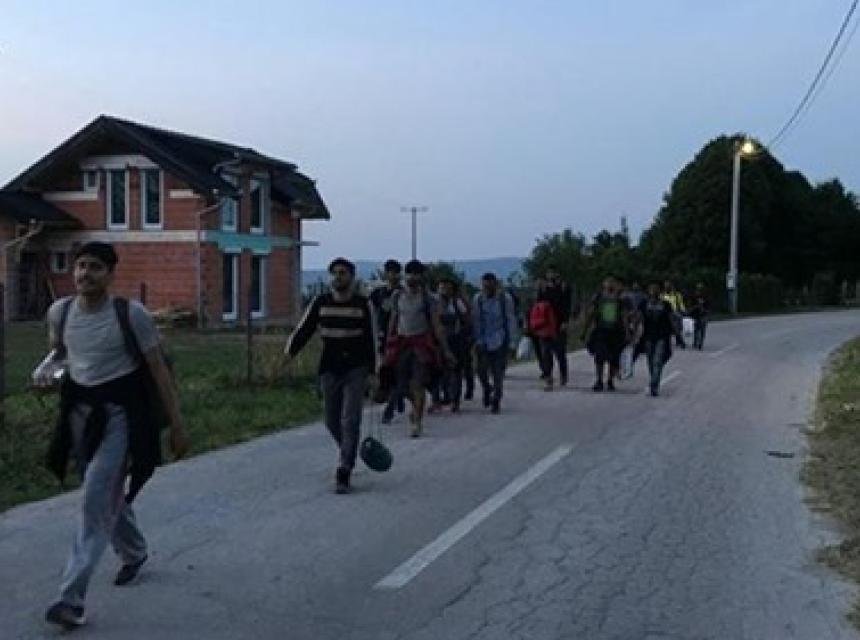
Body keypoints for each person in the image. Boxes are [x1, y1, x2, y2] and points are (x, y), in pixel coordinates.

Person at [39, 242, 188, 630]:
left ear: (110, 274)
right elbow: (60, 354)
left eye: (95, 267)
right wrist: (46, 374)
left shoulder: (130, 315)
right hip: (80, 414)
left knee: (94, 494)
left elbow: (159, 372)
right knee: (105, 491)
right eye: (80, 266)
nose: (84, 273)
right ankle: (134, 551)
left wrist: (176, 425)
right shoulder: (60, 311)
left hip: (122, 415)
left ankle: (70, 599)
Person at [284, 258, 376, 494]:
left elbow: (372, 340)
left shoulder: (363, 305)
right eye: (334, 273)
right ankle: (349, 449)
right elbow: (304, 329)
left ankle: (344, 469)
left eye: (342, 273)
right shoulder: (321, 302)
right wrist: (290, 353)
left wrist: (374, 372)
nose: (338, 277)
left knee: (350, 419)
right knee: (331, 420)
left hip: (356, 368)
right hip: (329, 367)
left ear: (352, 277)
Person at [385, 260, 455, 437]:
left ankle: (417, 420)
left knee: (418, 383)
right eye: (410, 273)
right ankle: (415, 406)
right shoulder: (397, 296)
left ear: (422, 276)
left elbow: (436, 324)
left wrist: (446, 350)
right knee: (400, 385)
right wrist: (387, 344)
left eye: (416, 274)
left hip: (421, 345)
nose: (413, 277)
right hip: (401, 343)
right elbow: (393, 320)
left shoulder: (428, 298)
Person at [472, 273, 518, 413]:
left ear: (495, 285)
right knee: (480, 370)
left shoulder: (505, 299)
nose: (487, 289)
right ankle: (487, 388)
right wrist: (477, 340)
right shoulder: (478, 299)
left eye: (490, 286)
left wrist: (512, 343)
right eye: (485, 286)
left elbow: (510, 320)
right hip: (483, 340)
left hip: (500, 339)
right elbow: (476, 321)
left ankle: (496, 398)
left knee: (498, 372)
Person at [369, 259, 405, 423]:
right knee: (386, 371)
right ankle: (394, 396)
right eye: (389, 272)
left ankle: (391, 406)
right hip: (383, 336)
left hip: (401, 336)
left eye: (395, 272)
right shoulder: (378, 294)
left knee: (399, 371)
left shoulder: (404, 293)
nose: (392, 276)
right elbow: (371, 311)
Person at [582, 277, 628, 392]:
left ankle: (610, 380)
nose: (610, 285)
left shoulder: (620, 299)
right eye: (608, 282)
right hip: (601, 330)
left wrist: (627, 331)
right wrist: (585, 330)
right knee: (599, 356)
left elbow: (624, 316)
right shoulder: (598, 298)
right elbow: (591, 313)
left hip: (615, 331)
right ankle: (599, 380)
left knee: (614, 357)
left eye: (612, 283)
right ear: (604, 285)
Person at [433, 277, 471, 412]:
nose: (444, 291)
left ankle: (454, 400)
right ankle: (438, 399)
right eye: (442, 288)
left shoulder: (456, 303)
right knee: (437, 371)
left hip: (455, 340)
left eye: (447, 288)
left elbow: (466, 318)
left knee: (455, 370)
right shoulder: (433, 302)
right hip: (437, 341)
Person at [536, 265, 573, 391]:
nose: (551, 275)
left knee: (560, 351)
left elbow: (567, 305)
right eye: (549, 273)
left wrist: (566, 321)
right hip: (545, 324)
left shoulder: (564, 287)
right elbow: (538, 305)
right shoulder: (543, 288)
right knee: (546, 352)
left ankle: (563, 374)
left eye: (553, 272)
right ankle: (548, 378)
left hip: (559, 323)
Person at [637, 281, 675, 396]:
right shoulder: (644, 304)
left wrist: (675, 333)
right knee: (650, 360)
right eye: (651, 289)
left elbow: (671, 319)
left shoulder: (666, 305)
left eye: (656, 289)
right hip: (648, 336)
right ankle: (654, 378)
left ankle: (654, 383)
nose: (653, 291)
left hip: (661, 336)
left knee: (657, 360)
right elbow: (638, 318)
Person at [662, 280, 687, 348]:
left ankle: (680, 341)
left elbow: (681, 303)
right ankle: (679, 342)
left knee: (677, 328)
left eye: (668, 286)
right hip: (666, 314)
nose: (667, 287)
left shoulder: (677, 294)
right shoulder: (662, 295)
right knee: (669, 328)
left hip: (675, 313)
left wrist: (683, 310)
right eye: (665, 286)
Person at [689, 283, 710, 350]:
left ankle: (700, 343)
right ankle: (695, 342)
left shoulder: (706, 297)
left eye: (700, 289)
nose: (699, 291)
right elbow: (691, 306)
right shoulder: (694, 297)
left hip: (704, 315)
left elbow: (708, 305)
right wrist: (695, 307)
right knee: (696, 329)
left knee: (702, 329)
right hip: (696, 315)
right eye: (698, 289)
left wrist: (706, 310)